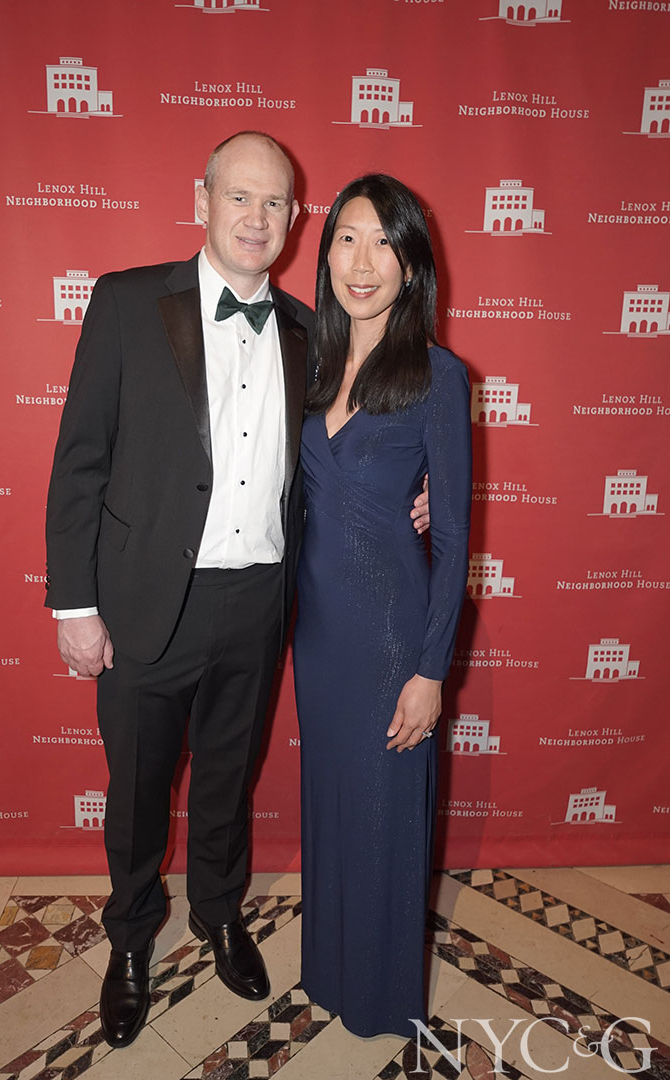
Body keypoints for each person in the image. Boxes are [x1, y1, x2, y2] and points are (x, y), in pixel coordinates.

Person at [45, 131, 433, 1049]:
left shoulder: (310, 331)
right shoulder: (127, 302)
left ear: (295, 220)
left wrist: (415, 492)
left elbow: (356, 444)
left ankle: (219, 915)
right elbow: (79, 460)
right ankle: (131, 940)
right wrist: (75, 606)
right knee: (138, 791)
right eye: (239, 197)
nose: (257, 218)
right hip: (144, 601)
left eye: (276, 203)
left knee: (227, 779)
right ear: (202, 199)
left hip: (259, 600)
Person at [293, 174, 472, 1038]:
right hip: (316, 637)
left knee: (385, 817)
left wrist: (431, 671)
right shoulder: (306, 359)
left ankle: (379, 995)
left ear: (411, 264)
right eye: (346, 238)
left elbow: (456, 538)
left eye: (384, 243)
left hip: (393, 637)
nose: (362, 262)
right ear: (325, 251)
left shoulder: (438, 375)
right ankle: (330, 970)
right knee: (334, 808)